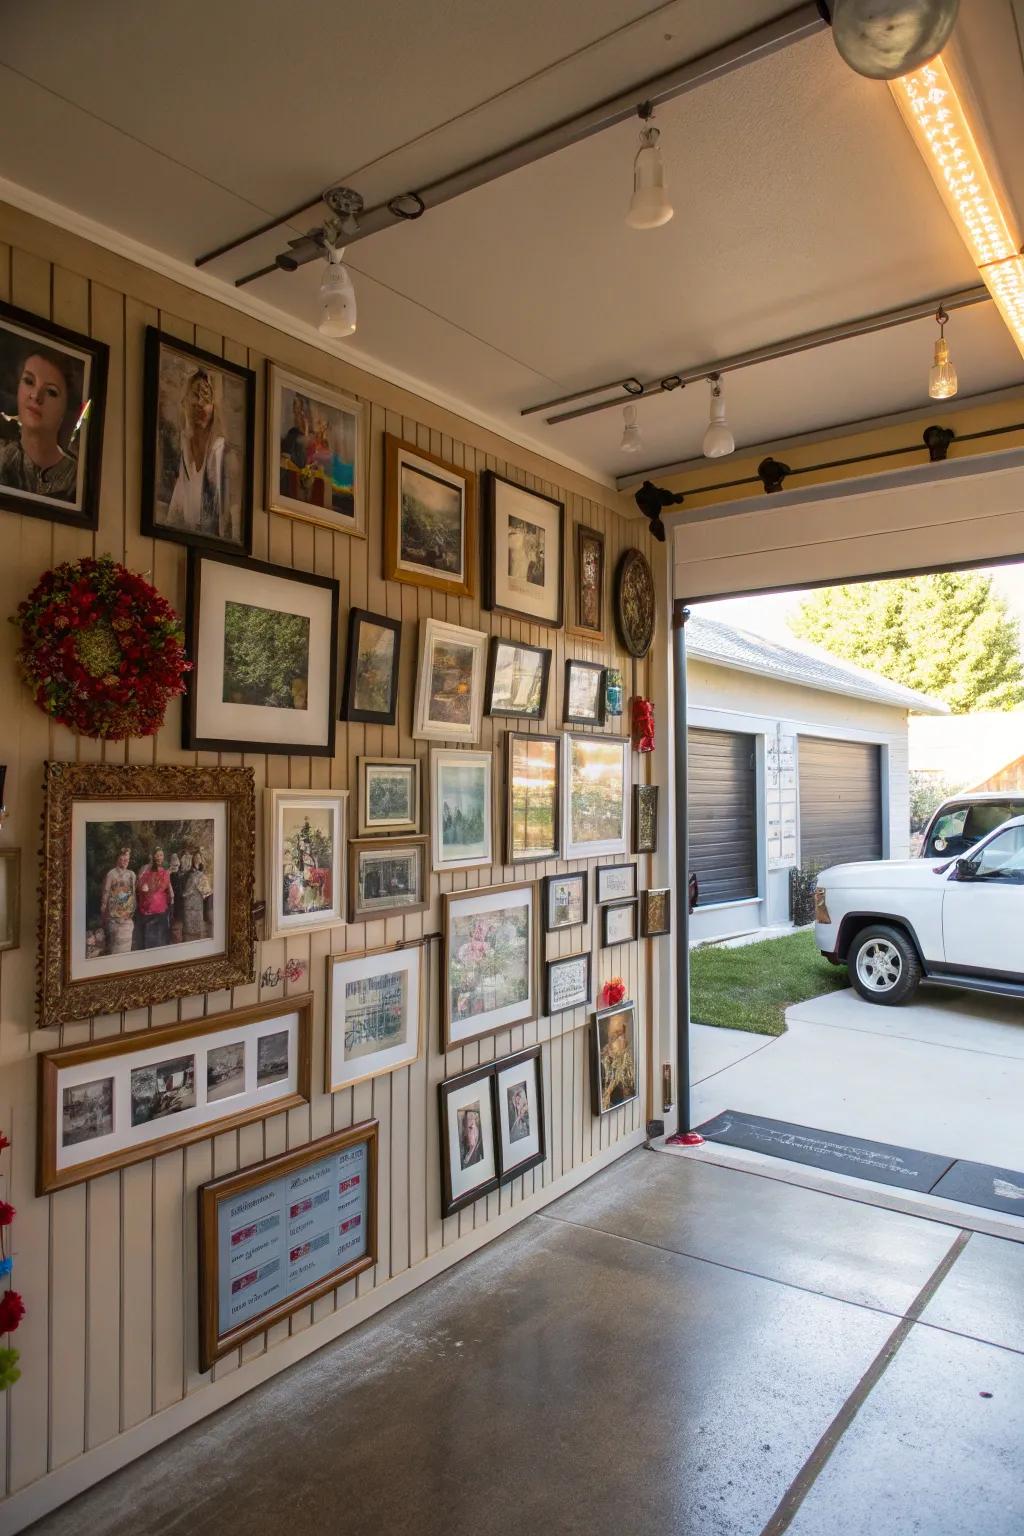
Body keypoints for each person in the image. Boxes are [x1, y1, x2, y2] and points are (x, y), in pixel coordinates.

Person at [0, 343, 83, 503]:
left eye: (51, 391)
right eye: (29, 381)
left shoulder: (76, 480)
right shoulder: (3, 458)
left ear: (66, 408)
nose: (36, 396)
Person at [166, 368, 234, 539]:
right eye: (195, 396)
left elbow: (222, 519)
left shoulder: (220, 451)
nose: (199, 404)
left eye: (206, 398)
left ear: (214, 407)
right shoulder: (184, 446)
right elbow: (176, 510)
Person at [99, 847, 135, 955]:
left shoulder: (131, 875)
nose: (125, 861)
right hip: (114, 915)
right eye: (123, 859)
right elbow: (106, 892)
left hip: (127, 915)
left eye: (127, 859)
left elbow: (133, 894)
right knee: (115, 944)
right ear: (118, 859)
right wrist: (103, 909)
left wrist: (132, 910)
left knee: (126, 945)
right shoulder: (111, 874)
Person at [136, 847, 173, 950]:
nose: (159, 857)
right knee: (149, 941)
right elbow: (138, 884)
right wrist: (142, 887)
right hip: (147, 911)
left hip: (161, 911)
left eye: (161, 855)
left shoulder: (164, 872)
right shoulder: (145, 869)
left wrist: (171, 900)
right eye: (157, 855)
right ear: (152, 856)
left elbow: (166, 887)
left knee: (161, 941)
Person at [600, 1013, 636, 1113]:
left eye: (623, 1033)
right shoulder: (603, 1072)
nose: (624, 1040)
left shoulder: (625, 1061)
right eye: (616, 1036)